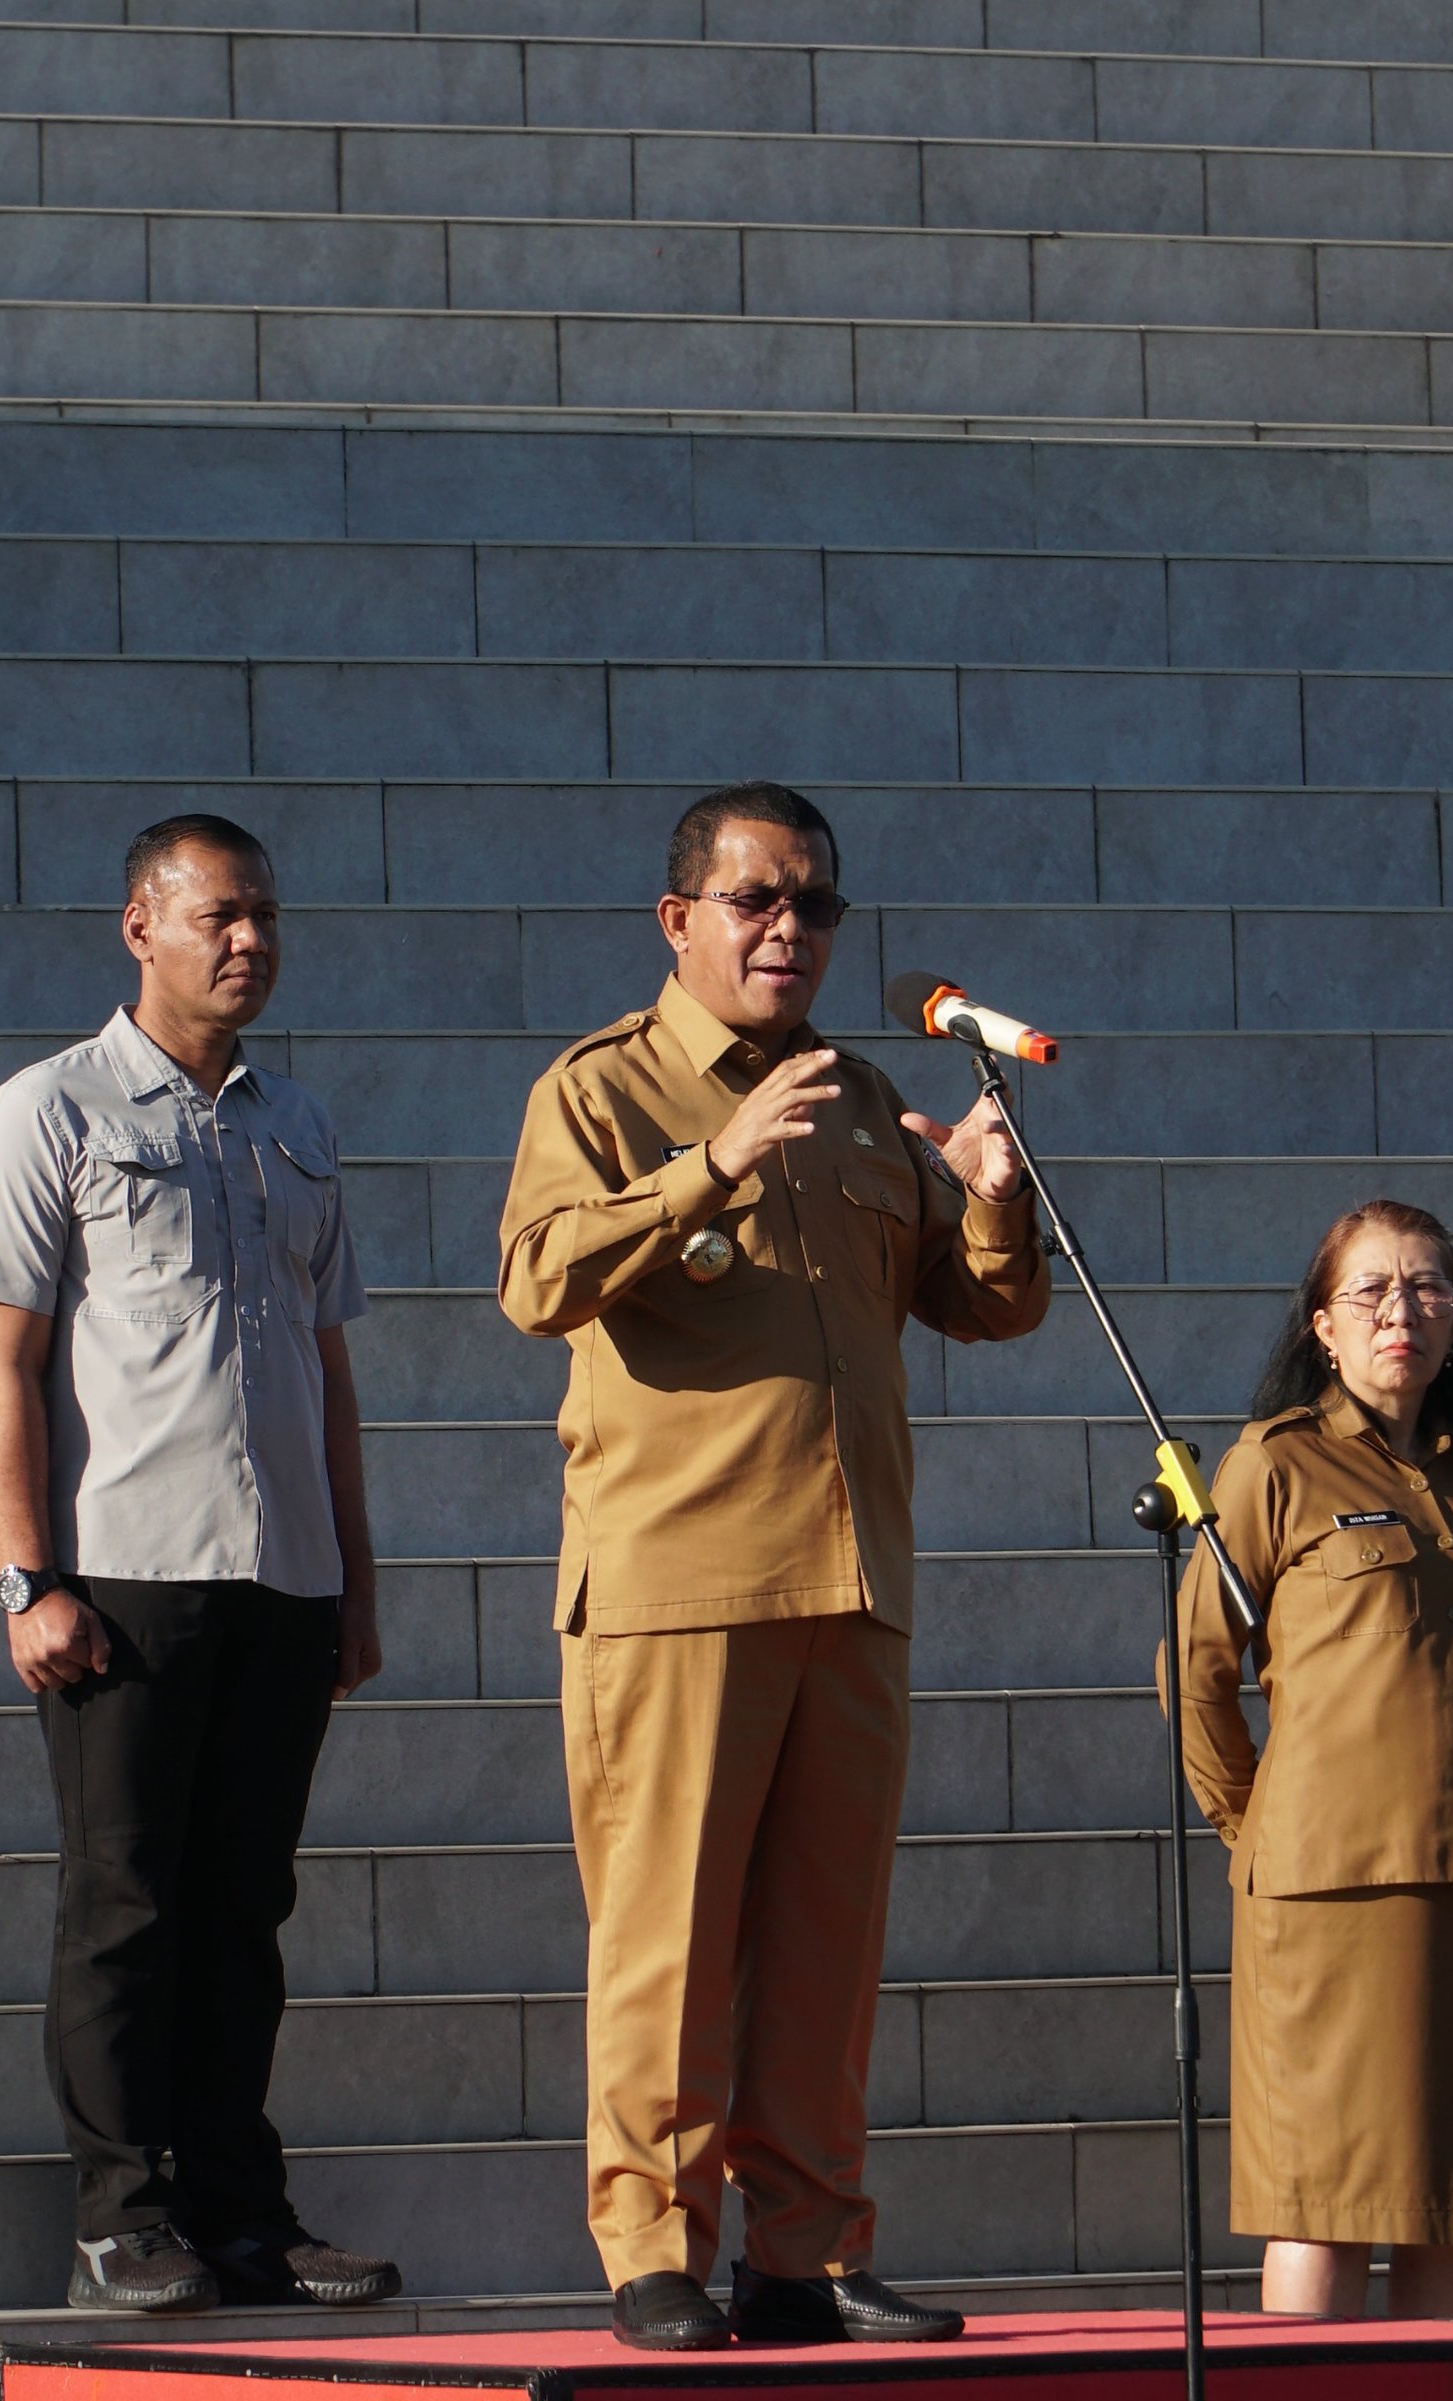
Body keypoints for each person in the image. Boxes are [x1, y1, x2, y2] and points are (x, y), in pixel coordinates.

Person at [499, 780, 1051, 2350]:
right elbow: (534, 1277)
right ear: (679, 918)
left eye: (815, 903)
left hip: (849, 1578)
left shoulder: (864, 1099)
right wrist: (711, 1162)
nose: (789, 928)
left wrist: (993, 1205)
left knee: (824, 1945)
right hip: (680, 1582)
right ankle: (653, 2250)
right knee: (666, 1940)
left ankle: (802, 2253)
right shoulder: (602, 1088)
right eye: (756, 898)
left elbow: (983, 1305)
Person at [0, 815, 401, 2316]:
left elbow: (329, 1373)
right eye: (220, 915)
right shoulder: (50, 1109)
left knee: (243, 1909)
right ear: (140, 926)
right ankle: (121, 2216)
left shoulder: (297, 1123)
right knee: (126, 1905)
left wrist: (354, 1580)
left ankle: (240, 2211)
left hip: (283, 1581)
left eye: (265, 914)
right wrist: (28, 1580)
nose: (250, 940)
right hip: (124, 1581)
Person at [1162, 1198, 1453, 2321]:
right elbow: (1195, 1673)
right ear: (1322, 1326)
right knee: (1320, 2199)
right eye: (1368, 1289)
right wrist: (1259, 1830)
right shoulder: (1274, 1466)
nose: (1398, 1310)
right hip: (1328, 1891)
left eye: (1426, 1287)